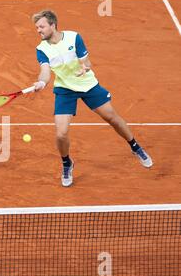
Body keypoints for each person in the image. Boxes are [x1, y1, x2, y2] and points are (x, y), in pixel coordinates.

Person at [29, 10, 153, 187]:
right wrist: (41, 83)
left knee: (112, 118)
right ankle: (67, 163)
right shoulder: (41, 49)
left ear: (52, 25)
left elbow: (86, 62)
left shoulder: (73, 37)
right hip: (65, 89)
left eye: (41, 26)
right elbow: (45, 71)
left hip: (87, 84)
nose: (38, 30)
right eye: (36, 27)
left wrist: (84, 69)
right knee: (61, 133)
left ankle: (135, 147)